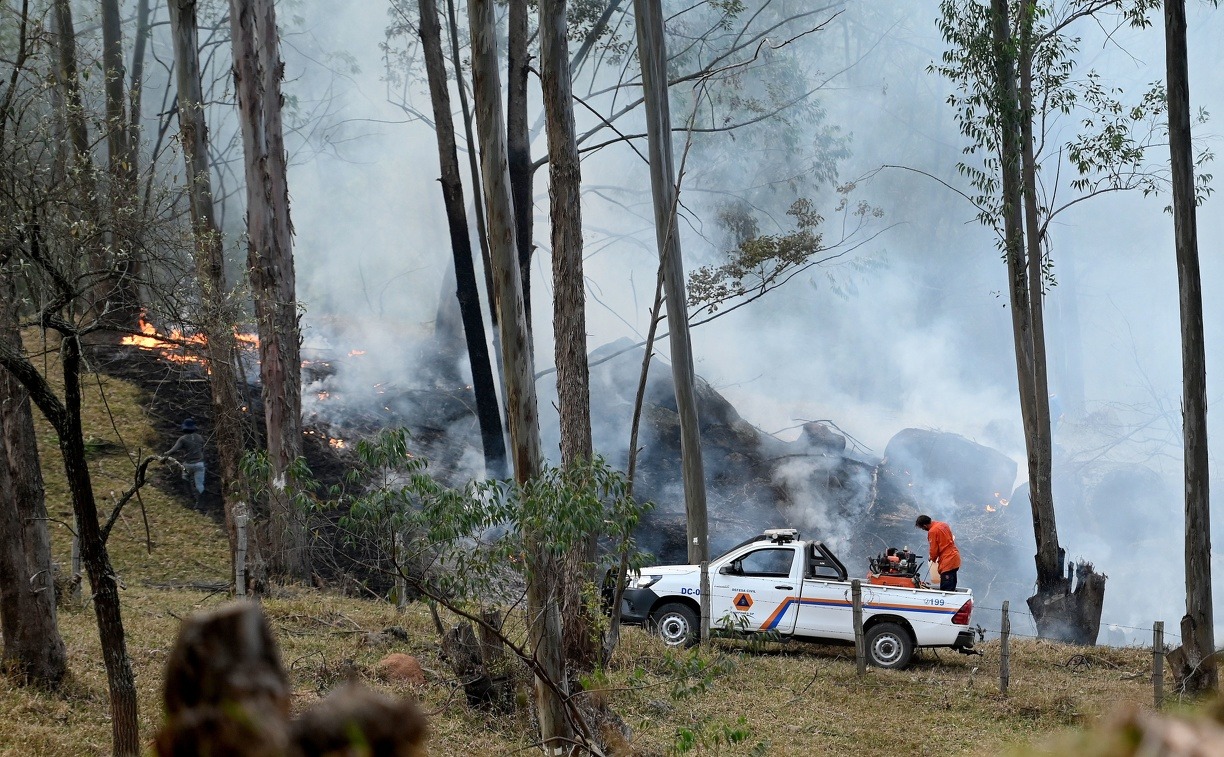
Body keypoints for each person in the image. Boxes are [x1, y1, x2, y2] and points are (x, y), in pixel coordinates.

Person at [915, 514, 961, 591]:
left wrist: (932, 558)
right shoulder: (944, 525)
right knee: (952, 585)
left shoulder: (932, 531)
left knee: (946, 589)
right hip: (955, 558)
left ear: (925, 526)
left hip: (947, 560)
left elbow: (934, 549)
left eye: (922, 528)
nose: (923, 530)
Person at [164, 418, 205, 500]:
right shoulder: (200, 437)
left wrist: (165, 454)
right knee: (199, 484)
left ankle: (190, 496)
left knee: (185, 477)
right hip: (200, 464)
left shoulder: (183, 439)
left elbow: (173, 450)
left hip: (188, 464)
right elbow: (202, 449)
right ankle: (201, 501)